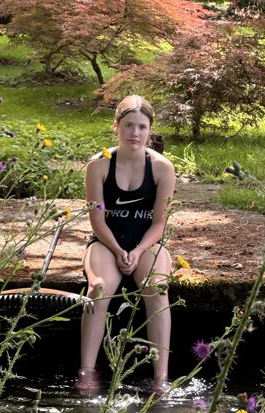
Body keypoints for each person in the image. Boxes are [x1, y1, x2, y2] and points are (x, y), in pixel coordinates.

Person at [78, 95, 175, 395]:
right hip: (106, 243)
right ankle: (87, 372)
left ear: (150, 131)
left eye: (142, 127)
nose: (135, 133)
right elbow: (97, 220)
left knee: (157, 288)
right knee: (98, 289)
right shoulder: (98, 165)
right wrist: (119, 250)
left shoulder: (162, 168)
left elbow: (159, 223)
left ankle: (160, 378)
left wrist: (138, 250)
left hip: (147, 244)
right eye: (129, 125)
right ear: (116, 127)